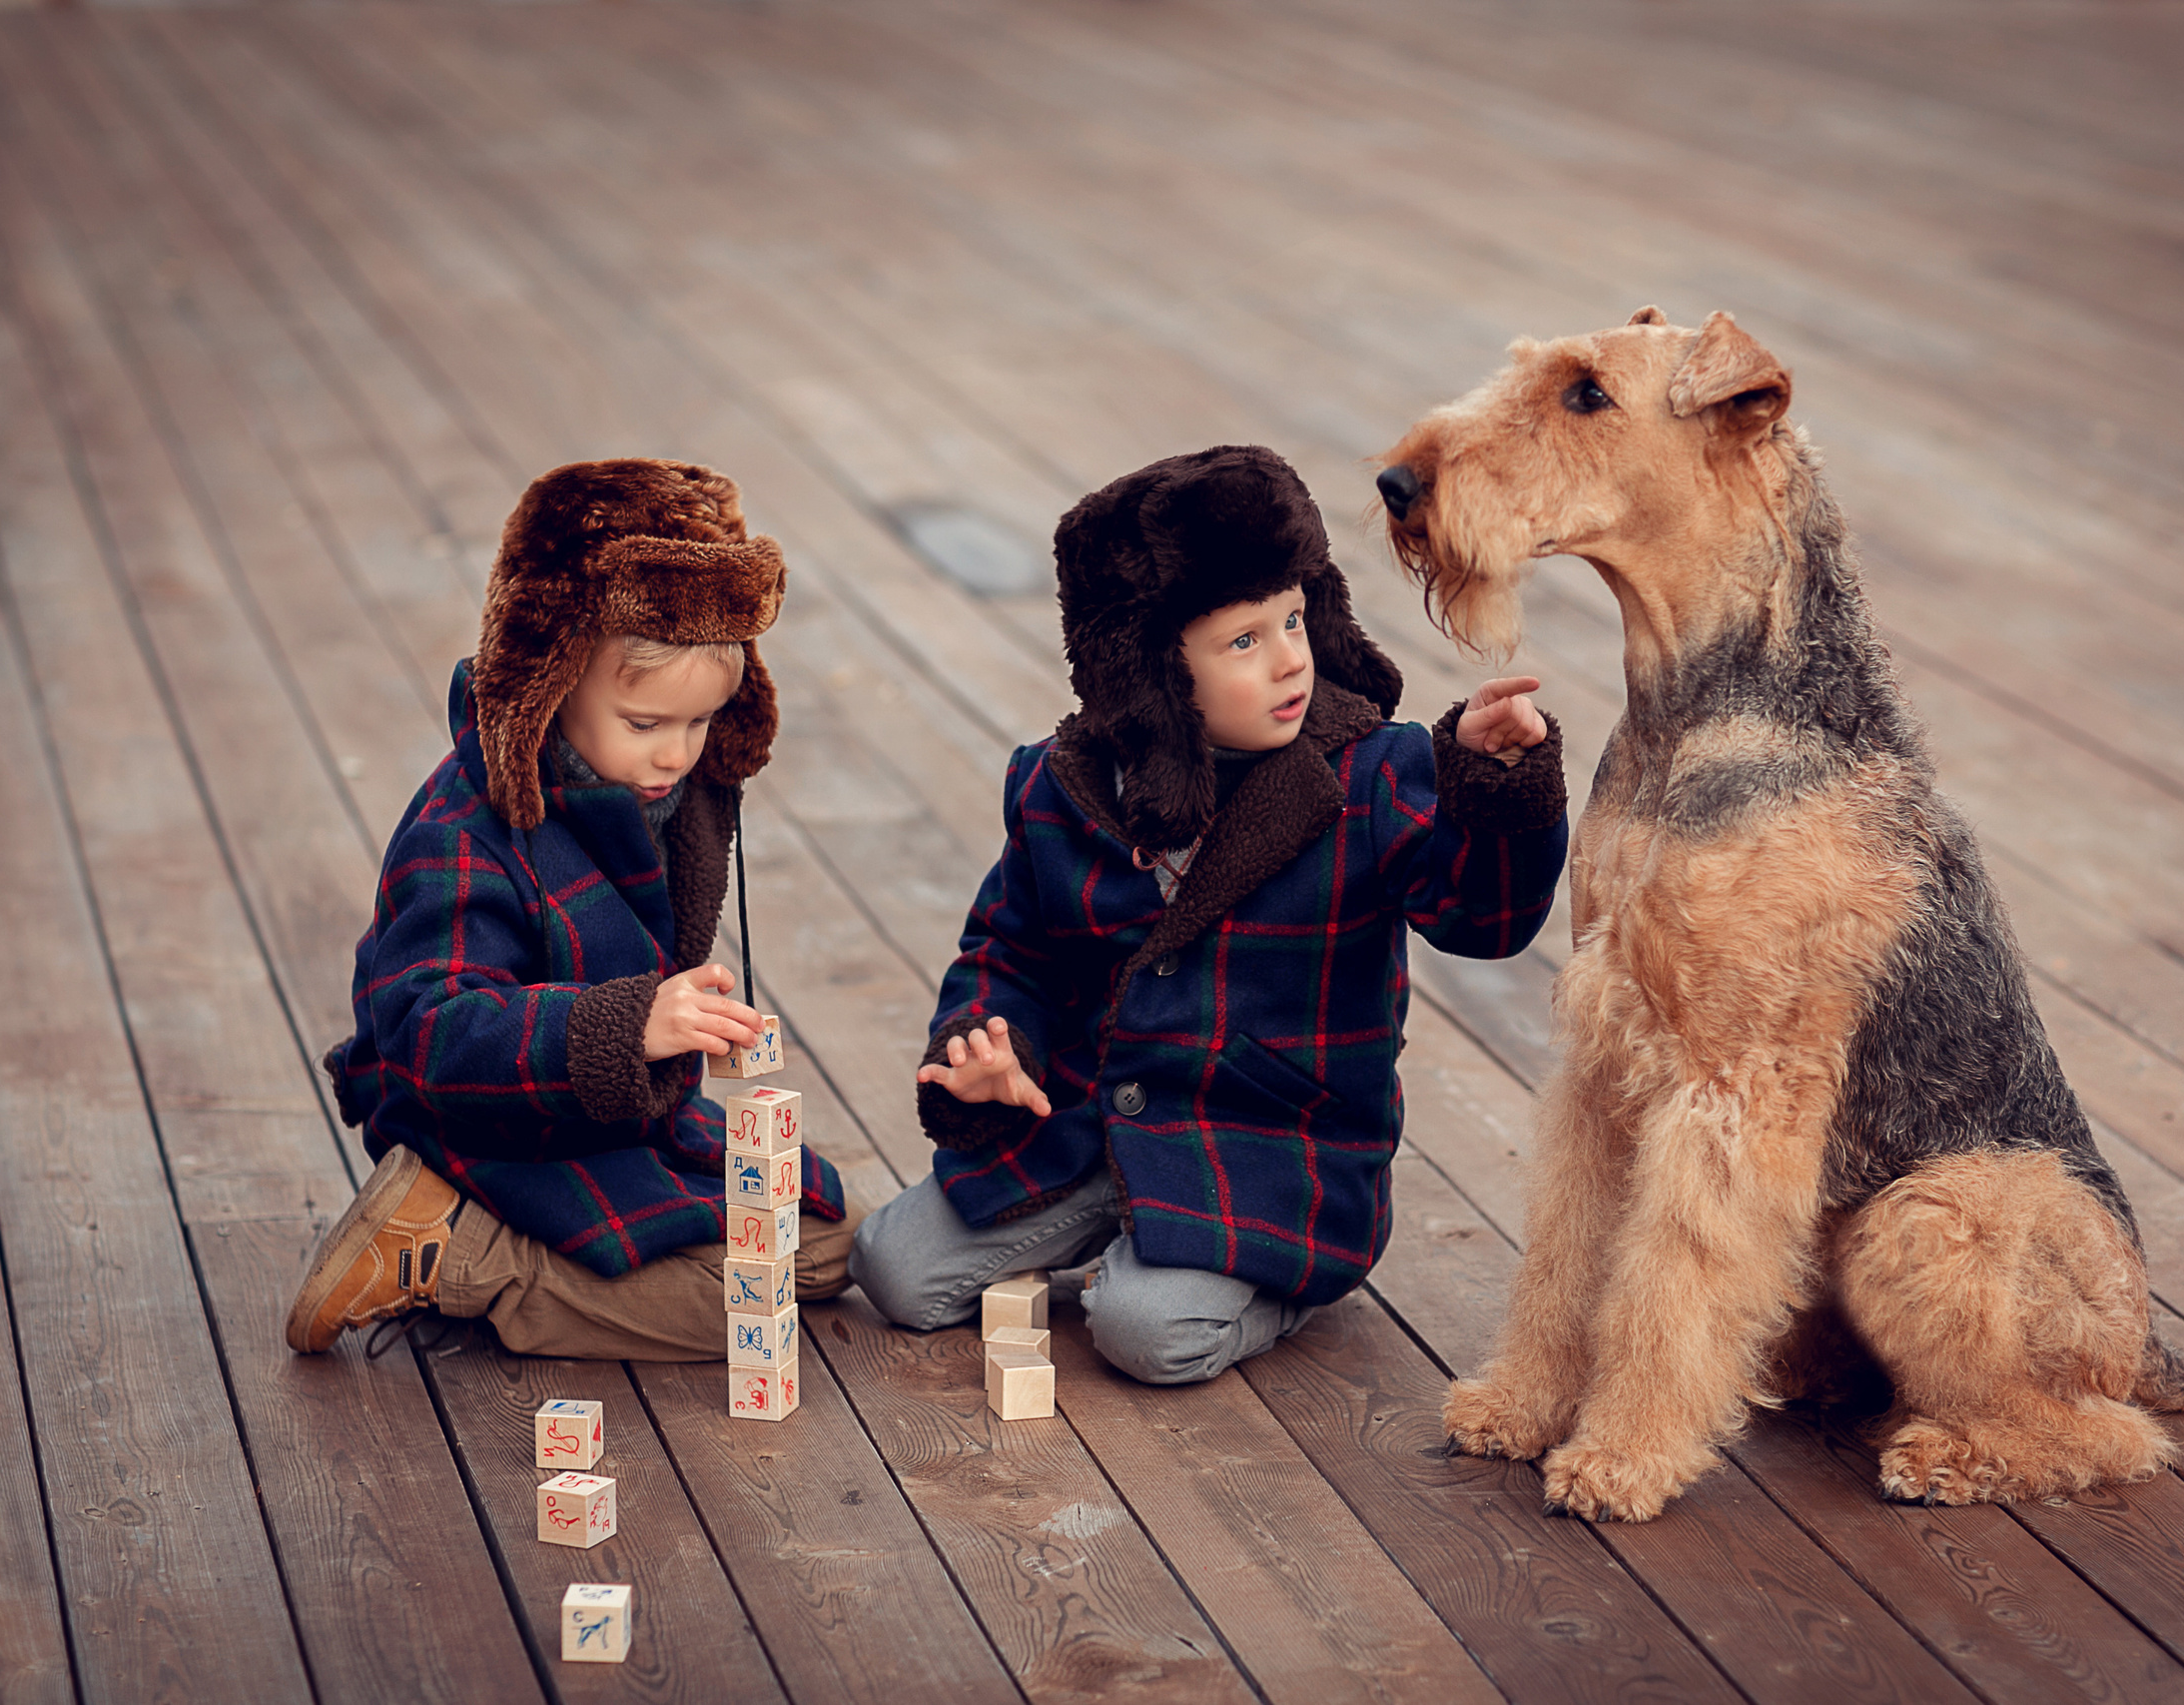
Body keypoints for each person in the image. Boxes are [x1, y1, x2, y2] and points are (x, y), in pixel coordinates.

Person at [850, 444, 1567, 1382]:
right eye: (1243, 642)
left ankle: (1275, 1282)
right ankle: (1123, 1225)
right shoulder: (1060, 786)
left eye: (1294, 619)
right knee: (892, 1268)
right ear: (1152, 672)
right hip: (1088, 1122)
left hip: (1262, 1149)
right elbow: (1009, 949)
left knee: (1146, 1331)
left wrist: (1493, 786)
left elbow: (1484, 919)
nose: (1289, 659)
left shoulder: (1375, 772)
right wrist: (988, 1043)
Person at [286, 457, 851, 1358]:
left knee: (826, 1240)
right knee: (744, 1297)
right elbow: (427, 1031)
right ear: (551, 684)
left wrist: (677, 1024)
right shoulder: (462, 830)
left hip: (616, 1115)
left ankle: (490, 1247)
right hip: (489, 1125)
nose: (677, 754)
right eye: (644, 723)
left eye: (700, 722)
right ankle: (461, 1249)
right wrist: (627, 1027)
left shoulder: (670, 794)